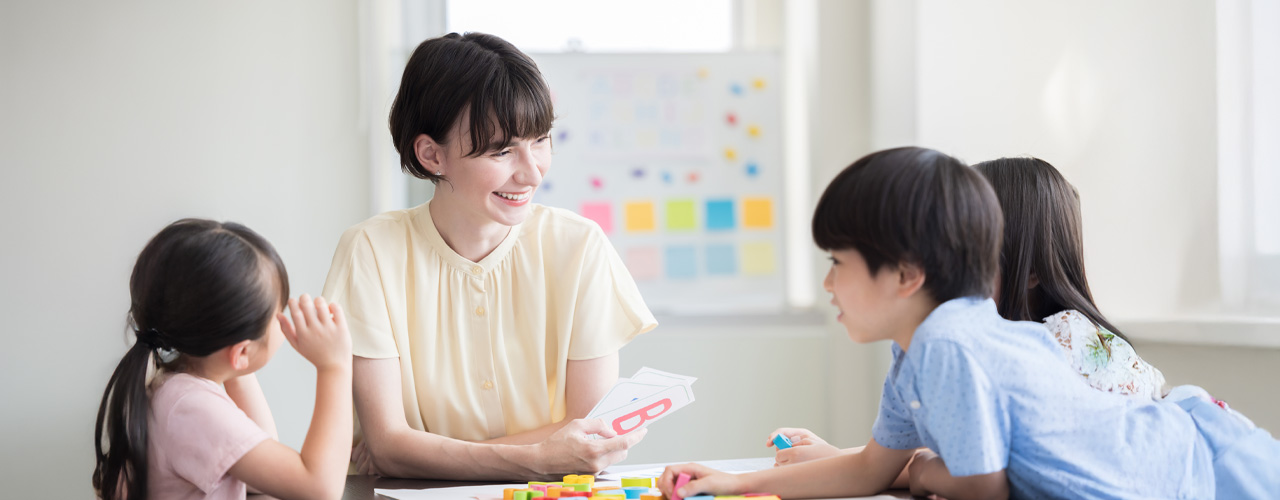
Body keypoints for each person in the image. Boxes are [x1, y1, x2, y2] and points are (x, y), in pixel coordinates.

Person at [658, 147, 1279, 499]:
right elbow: (871, 467)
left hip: (1204, 465)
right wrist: (734, 483)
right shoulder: (915, 355)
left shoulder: (953, 343)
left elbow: (981, 487)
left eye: (838, 264)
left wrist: (924, 468)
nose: (826, 285)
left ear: (905, 275)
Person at [322, 32, 655, 481]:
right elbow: (388, 445)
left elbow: (588, 434)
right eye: (502, 150)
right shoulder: (371, 252)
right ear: (431, 154)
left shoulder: (579, 246)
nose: (532, 170)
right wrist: (539, 456)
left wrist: (421, 452)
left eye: (540, 140)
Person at [768, 156, 1167, 469]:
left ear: (1029, 271)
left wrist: (845, 460)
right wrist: (848, 458)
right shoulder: (961, 348)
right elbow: (959, 451)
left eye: (968, 254)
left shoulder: (1062, 342)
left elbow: (985, 472)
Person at [92, 219, 353, 500]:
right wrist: (334, 367)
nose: (284, 320)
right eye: (278, 313)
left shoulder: (176, 390)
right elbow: (319, 489)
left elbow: (261, 467)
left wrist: (236, 370)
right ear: (240, 351)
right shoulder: (192, 407)